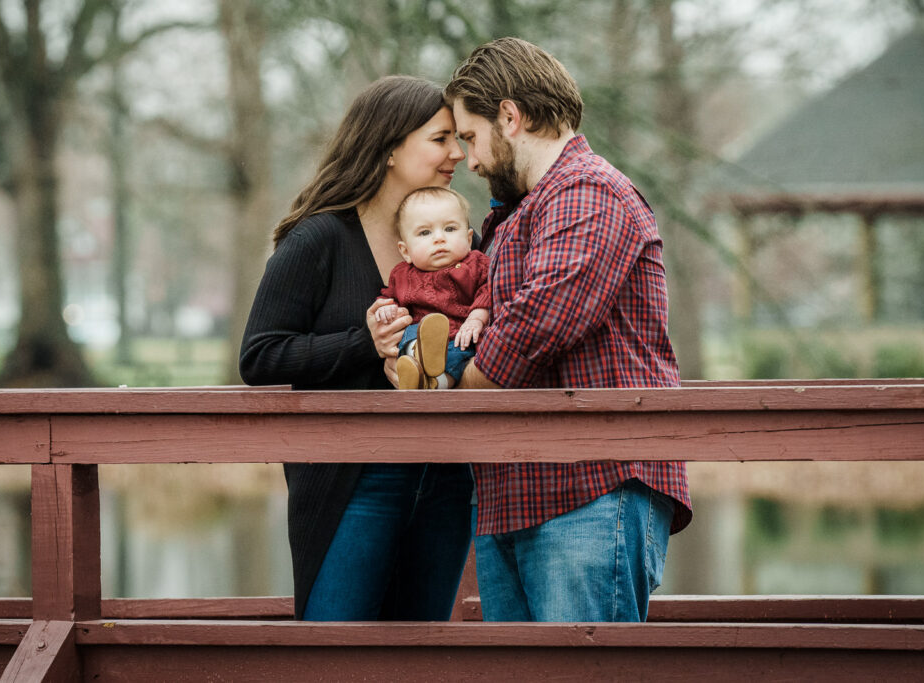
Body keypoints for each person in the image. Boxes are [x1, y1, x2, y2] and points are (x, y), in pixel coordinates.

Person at [443, 37, 693, 622]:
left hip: (591, 488)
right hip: (515, 495)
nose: (470, 161)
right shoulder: (517, 213)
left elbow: (541, 321)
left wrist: (452, 391)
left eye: (471, 137)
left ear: (510, 116)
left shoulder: (588, 190)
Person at [239, 76, 473, 621]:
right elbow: (260, 356)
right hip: (352, 482)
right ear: (391, 147)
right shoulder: (318, 239)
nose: (457, 153)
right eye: (440, 139)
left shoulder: (455, 238)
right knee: (334, 656)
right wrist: (363, 343)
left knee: (421, 658)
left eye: (457, 139)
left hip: (443, 478)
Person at [374, 186, 491, 390]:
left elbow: (487, 291)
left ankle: (434, 383)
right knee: (409, 335)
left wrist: (476, 319)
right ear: (406, 251)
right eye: (425, 232)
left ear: (469, 238)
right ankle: (418, 359)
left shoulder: (477, 264)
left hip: (460, 334)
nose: (439, 238)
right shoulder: (401, 275)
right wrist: (386, 308)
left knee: (460, 354)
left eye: (450, 229)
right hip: (420, 333)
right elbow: (389, 297)